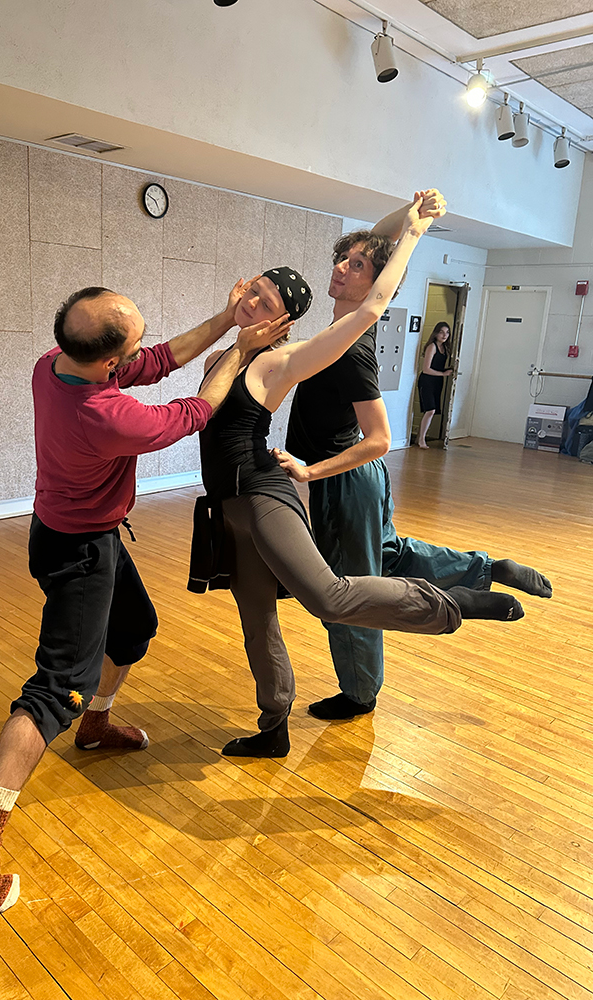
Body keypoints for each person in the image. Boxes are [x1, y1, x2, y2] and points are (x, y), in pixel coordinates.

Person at [0, 281, 292, 914]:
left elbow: (158, 361)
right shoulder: (105, 415)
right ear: (107, 362)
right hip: (79, 551)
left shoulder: (52, 365)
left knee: (133, 628)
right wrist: (240, 353)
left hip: (74, 530)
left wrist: (223, 317)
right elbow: (191, 414)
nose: (142, 350)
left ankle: (96, 726)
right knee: (56, 690)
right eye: (132, 343)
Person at [190, 198, 526, 761]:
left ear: (283, 322)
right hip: (229, 503)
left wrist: (415, 231)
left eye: (265, 302)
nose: (251, 304)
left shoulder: (281, 360)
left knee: (330, 595)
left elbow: (371, 308)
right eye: (251, 293)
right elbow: (368, 246)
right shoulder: (225, 357)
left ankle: (456, 603)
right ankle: (274, 728)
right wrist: (229, 320)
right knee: (257, 618)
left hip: (265, 492)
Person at [274, 197, 552, 724]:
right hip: (362, 481)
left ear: (377, 283)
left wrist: (311, 472)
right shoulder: (345, 328)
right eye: (342, 258)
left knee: (352, 589)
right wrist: (410, 213)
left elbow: (380, 438)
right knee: (392, 559)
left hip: (347, 477)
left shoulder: (352, 343)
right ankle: (489, 569)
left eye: (357, 265)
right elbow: (379, 245)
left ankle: (359, 692)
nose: (341, 267)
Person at [417, 321, 453, 448]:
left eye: (447, 332)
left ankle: (420, 437)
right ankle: (421, 439)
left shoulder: (446, 348)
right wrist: (443, 374)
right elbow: (426, 369)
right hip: (427, 381)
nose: (444, 335)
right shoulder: (432, 347)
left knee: (432, 410)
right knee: (430, 410)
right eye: (442, 332)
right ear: (436, 333)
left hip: (437, 381)